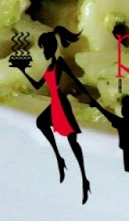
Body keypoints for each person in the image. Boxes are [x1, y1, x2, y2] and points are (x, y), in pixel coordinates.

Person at [10, 27, 90, 204]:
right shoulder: (48, 65)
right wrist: (23, 71)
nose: (44, 50)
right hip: (51, 100)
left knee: (71, 138)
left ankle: (82, 176)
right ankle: (59, 160)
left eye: (45, 47)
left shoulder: (59, 63)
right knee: (44, 126)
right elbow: (38, 84)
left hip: (62, 101)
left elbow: (76, 80)